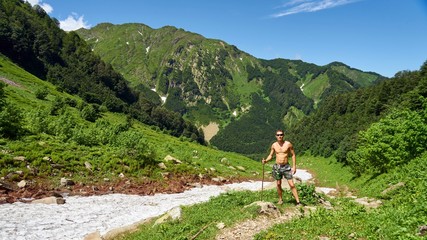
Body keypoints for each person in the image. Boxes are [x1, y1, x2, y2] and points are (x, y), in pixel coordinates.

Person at [262, 129, 301, 205]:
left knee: (292, 184)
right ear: (276, 136)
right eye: (278, 135)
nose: (280, 136)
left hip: (286, 166)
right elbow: (271, 155)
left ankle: (298, 202)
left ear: (283, 135)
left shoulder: (288, 144)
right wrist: (266, 161)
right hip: (277, 167)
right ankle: (280, 199)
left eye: (281, 135)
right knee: (278, 184)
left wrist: (294, 166)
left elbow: (293, 155)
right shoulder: (274, 145)